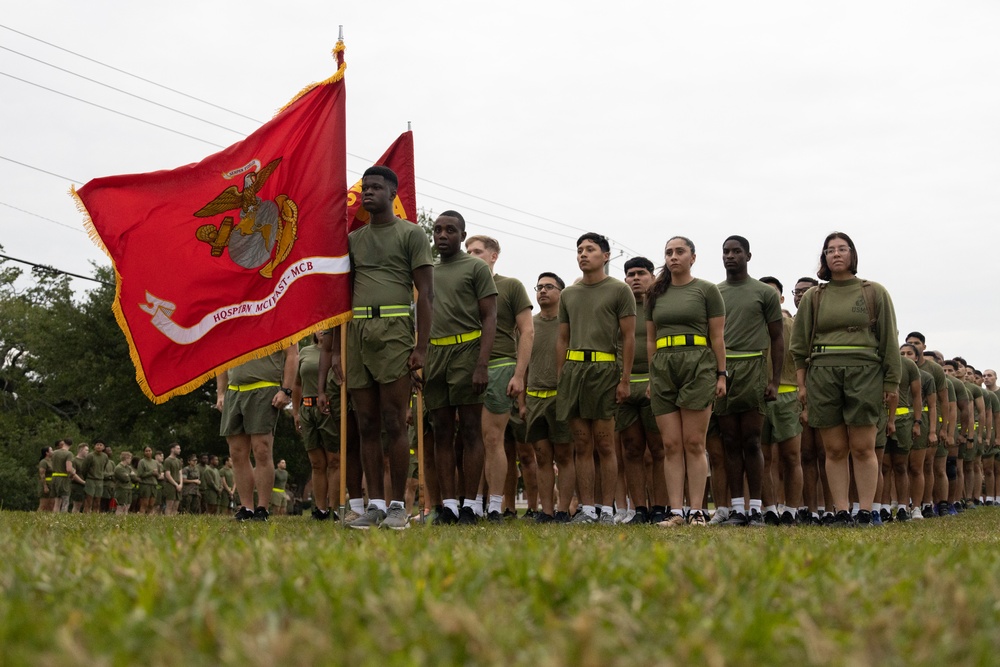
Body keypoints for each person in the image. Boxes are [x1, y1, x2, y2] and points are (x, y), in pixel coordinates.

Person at [319, 166, 434, 531]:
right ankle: (374, 507)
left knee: (393, 420)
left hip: (395, 328)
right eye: (365, 187)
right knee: (365, 423)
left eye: (376, 188)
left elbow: (427, 294)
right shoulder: (352, 240)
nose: (368, 193)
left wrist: (422, 347)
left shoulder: (412, 234)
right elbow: (338, 298)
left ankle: (399, 506)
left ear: (392, 194)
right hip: (357, 330)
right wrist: (336, 349)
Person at [790, 232, 900, 526]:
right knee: (835, 448)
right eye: (829, 250)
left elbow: (889, 340)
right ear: (824, 258)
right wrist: (802, 384)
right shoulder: (815, 296)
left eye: (842, 249)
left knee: (863, 446)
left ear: (852, 254)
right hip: (823, 373)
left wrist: (891, 384)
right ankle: (840, 510)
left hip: (864, 372)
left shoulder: (873, 291)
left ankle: (865, 510)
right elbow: (799, 346)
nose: (836, 254)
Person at [646, 236, 727, 526]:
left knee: (694, 443)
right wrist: (653, 376)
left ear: (693, 257)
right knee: (670, 445)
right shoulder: (655, 292)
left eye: (680, 251)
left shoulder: (706, 290)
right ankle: (676, 512)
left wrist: (721, 374)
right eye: (668, 252)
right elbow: (651, 339)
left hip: (698, 363)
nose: (673, 257)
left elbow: (717, 336)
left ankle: (697, 511)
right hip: (664, 366)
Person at [424, 211, 498, 525]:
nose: (442, 235)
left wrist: (482, 364)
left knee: (470, 431)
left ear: (462, 234)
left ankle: (470, 505)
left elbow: (490, 317)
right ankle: (449, 505)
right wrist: (419, 356)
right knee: (440, 433)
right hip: (434, 355)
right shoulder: (426, 270)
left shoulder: (477, 268)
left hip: (467, 351)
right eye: (438, 229)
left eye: (450, 230)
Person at [557, 233, 635, 524]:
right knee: (582, 444)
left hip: (604, 371)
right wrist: (561, 376)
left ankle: (606, 509)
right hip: (574, 372)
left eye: (590, 249)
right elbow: (562, 339)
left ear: (605, 256)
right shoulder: (568, 294)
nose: (583, 254)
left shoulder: (619, 290)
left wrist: (624, 380)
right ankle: (587, 509)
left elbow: (628, 338)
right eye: (579, 250)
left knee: (605, 444)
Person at [715, 237, 783, 527]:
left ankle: (756, 507)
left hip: (754, 366)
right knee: (729, 441)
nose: (731, 256)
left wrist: (774, 380)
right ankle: (736, 508)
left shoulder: (763, 293)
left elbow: (778, 337)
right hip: (724, 368)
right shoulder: (714, 292)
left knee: (753, 441)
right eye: (726, 252)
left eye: (736, 252)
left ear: (748, 256)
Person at [465, 235, 534, 522]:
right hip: (464, 368)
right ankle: (471, 504)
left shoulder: (511, 286)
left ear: (494, 256)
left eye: (478, 251)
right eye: (468, 251)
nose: (471, 255)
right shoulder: (461, 286)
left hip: (501, 366)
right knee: (471, 439)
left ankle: (495, 504)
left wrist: (519, 375)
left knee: (493, 438)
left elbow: (528, 331)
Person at [216, 344, 298, 522]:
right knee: (236, 453)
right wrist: (221, 392)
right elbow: (220, 355)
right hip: (234, 390)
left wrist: (286, 390)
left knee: (261, 450)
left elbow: (292, 354)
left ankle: (262, 508)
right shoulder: (230, 318)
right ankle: (247, 508)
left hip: (264, 388)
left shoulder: (277, 318)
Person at [617, 257, 667, 525]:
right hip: (625, 386)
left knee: (658, 449)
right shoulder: (619, 305)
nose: (635, 278)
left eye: (641, 273)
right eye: (630, 274)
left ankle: (660, 506)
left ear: (652, 276)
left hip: (654, 383)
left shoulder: (660, 304)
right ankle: (638, 508)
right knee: (632, 449)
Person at [524, 272, 572, 523]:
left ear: (561, 293)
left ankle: (563, 510)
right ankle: (546, 511)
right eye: (539, 286)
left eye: (549, 286)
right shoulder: (528, 325)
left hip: (561, 397)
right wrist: (521, 401)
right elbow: (522, 365)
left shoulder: (569, 323)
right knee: (541, 457)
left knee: (564, 455)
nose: (542, 291)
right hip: (534, 397)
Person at [759, 276, 804, 525]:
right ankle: (769, 509)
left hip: (789, 395)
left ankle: (791, 509)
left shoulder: (793, 325)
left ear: (781, 298)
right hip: (758, 396)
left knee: (791, 456)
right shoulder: (750, 326)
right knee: (762, 457)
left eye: (772, 293)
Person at [294, 332, 342, 521]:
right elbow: (297, 384)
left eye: (326, 325)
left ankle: (333, 508)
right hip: (307, 409)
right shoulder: (305, 352)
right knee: (316, 463)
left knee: (334, 460)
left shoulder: (338, 352)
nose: (322, 329)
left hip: (330, 409)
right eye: (318, 325)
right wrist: (296, 413)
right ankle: (320, 509)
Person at [80, 439, 109, 514]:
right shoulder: (90, 456)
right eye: (97, 445)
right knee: (89, 499)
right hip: (91, 479)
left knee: (97, 500)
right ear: (94, 446)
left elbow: (104, 467)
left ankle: (95, 514)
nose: (99, 446)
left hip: (100, 480)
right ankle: (86, 514)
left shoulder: (105, 456)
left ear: (103, 447)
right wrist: (87, 477)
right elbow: (84, 468)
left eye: (100, 445)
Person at [161, 443, 184, 516]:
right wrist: (176, 484)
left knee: (176, 505)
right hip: (170, 485)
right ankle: (167, 520)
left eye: (179, 448)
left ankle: (174, 521)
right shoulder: (168, 460)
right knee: (169, 504)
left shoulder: (178, 461)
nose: (179, 450)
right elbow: (167, 475)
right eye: (177, 448)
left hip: (178, 485)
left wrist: (180, 484)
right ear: (172, 449)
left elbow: (180, 473)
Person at [136, 447, 160, 514]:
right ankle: (141, 518)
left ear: (152, 452)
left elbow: (159, 474)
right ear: (144, 452)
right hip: (145, 484)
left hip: (154, 484)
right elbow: (140, 474)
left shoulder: (155, 462)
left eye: (149, 451)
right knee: (144, 504)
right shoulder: (142, 462)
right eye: (146, 451)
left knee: (151, 504)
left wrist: (157, 474)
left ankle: (149, 519)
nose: (148, 452)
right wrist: (151, 472)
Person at [69, 443, 89, 512]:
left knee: (87, 504)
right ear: (81, 450)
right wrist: (83, 482)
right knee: (77, 505)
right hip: (77, 485)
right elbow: (73, 474)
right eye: (86, 450)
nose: (87, 452)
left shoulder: (87, 461)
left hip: (87, 486)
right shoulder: (74, 460)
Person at [37, 447, 53, 512]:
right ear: (47, 453)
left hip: (52, 484)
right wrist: (45, 486)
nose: (53, 451)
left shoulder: (51, 461)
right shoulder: (43, 462)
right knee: (43, 505)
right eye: (51, 450)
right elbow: (42, 474)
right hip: (46, 484)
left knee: (51, 504)